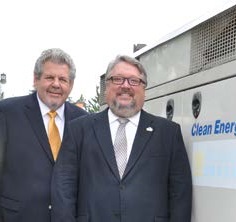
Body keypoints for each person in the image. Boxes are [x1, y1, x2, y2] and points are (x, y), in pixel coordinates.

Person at [51, 55, 192, 222]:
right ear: (106, 87)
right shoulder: (78, 130)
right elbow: (63, 188)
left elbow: (180, 195)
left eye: (134, 81)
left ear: (144, 88)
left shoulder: (168, 133)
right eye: (117, 79)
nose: (125, 86)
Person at [0, 48, 88, 222]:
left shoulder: (84, 121)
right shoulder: (6, 113)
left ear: (70, 85)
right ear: (35, 79)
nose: (56, 84)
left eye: (63, 79)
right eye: (49, 77)